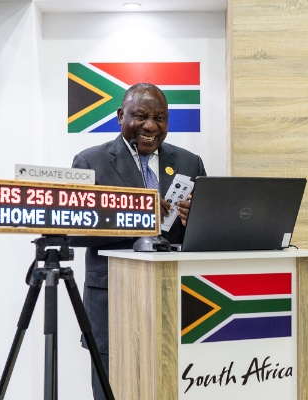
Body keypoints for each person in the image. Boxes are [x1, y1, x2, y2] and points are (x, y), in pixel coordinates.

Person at [70, 83, 206, 400]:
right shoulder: (91, 162)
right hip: (113, 299)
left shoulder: (190, 162)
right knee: (113, 390)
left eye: (160, 118)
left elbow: (201, 236)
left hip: (177, 298)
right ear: (121, 116)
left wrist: (195, 218)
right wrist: (132, 211)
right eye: (141, 116)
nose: (150, 126)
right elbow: (75, 230)